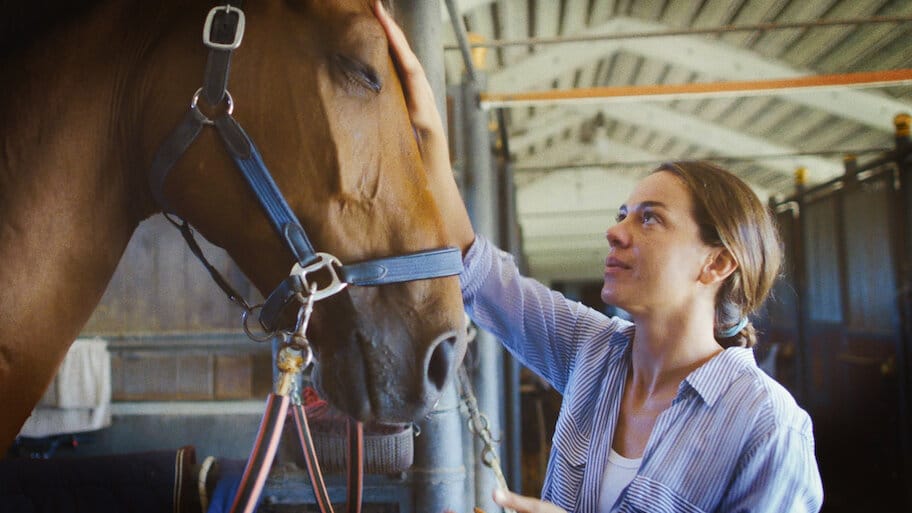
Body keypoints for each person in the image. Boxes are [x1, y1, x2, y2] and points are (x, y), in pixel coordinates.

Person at [374, 3, 824, 512]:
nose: (614, 232)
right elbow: (476, 269)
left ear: (717, 264)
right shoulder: (593, 353)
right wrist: (430, 128)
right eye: (622, 214)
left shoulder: (767, 424)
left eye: (649, 218)